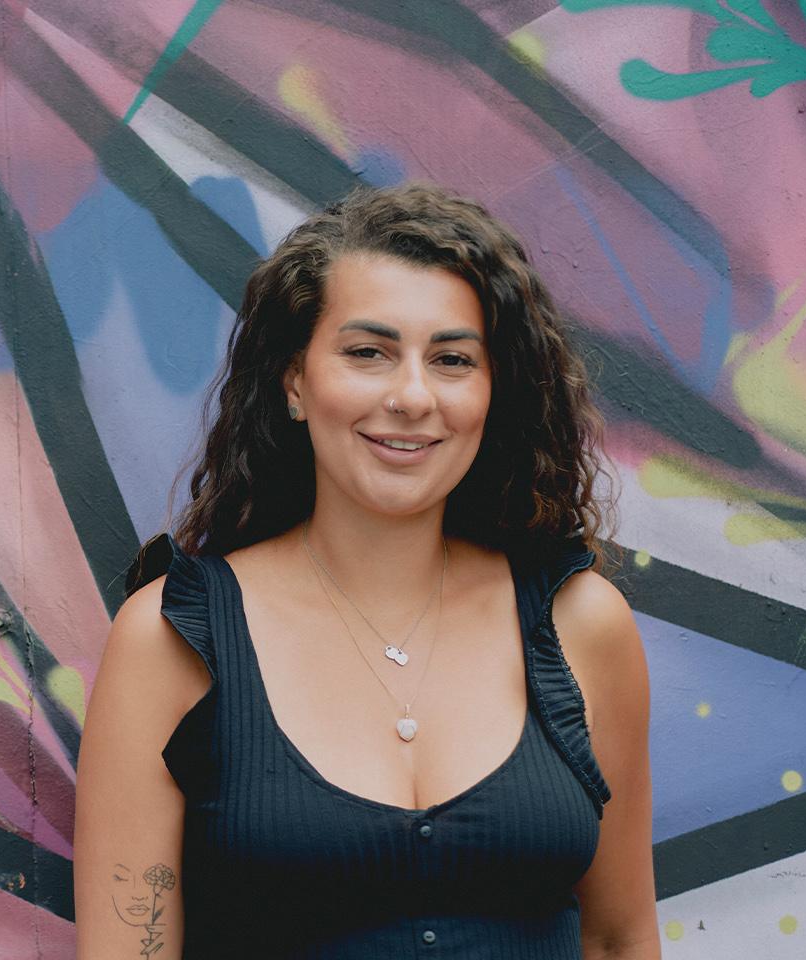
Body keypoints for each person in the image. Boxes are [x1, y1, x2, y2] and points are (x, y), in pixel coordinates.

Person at [74, 183, 658, 958]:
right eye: (367, 353)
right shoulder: (171, 640)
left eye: (452, 360)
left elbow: (618, 939)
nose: (412, 396)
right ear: (295, 381)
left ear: (493, 391)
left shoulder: (583, 625)